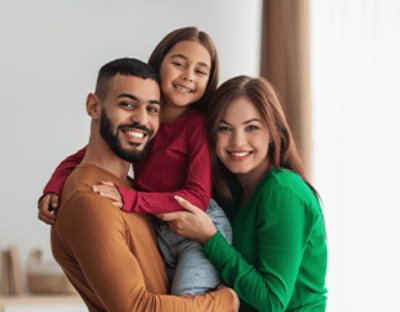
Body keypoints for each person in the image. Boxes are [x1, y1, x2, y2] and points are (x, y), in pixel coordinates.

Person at [38, 27, 232, 296]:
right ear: (159, 65)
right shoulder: (146, 120)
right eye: (178, 64)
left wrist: (132, 200)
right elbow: (84, 154)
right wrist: (54, 185)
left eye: (200, 71)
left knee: (187, 300)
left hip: (196, 227)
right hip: (159, 224)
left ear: (209, 80)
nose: (188, 76)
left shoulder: (197, 126)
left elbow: (196, 197)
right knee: (159, 295)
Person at [157, 76, 328, 311]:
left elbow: (273, 302)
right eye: (225, 128)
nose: (238, 141)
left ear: (274, 132)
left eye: (252, 127)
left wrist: (210, 238)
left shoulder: (282, 191)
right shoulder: (232, 192)